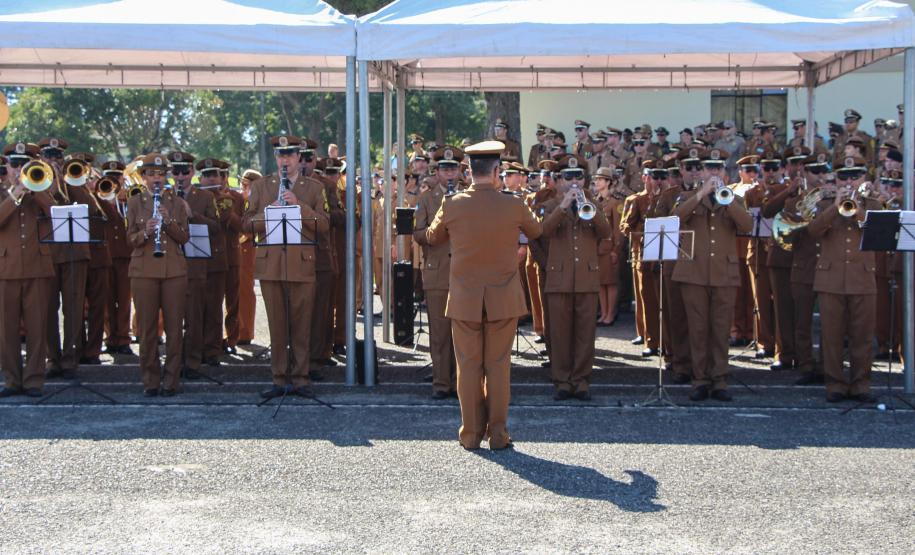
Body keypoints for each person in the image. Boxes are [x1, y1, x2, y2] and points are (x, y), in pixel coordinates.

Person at [425, 140, 542, 450]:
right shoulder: (514, 203)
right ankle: (499, 435)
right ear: (497, 171)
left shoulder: (452, 203)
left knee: (468, 367)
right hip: (503, 298)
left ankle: (471, 434)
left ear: (468, 171)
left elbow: (432, 237)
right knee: (499, 367)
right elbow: (537, 231)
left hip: (465, 298)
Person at [242, 135, 329, 399]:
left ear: (299, 158)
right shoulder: (260, 186)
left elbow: (324, 225)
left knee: (302, 325)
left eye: (290, 155)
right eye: (281, 155)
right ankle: (279, 378)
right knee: (277, 326)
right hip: (271, 266)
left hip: (302, 266)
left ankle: (301, 378)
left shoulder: (313, 188)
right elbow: (245, 224)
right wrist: (269, 212)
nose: (285, 160)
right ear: (276, 158)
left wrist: (299, 206)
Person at [672, 147, 753, 401]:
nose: (713, 172)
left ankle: (719, 381)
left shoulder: (734, 199)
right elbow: (675, 218)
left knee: (720, 330)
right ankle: (700, 380)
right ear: (701, 172)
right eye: (709, 168)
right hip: (694, 273)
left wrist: (726, 202)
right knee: (697, 330)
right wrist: (701, 194)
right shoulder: (686, 196)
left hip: (723, 273)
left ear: (724, 172)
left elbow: (747, 225)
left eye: (718, 168)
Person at [806, 156, 883, 403]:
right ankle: (836, 384)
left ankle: (861, 384)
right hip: (831, 279)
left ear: (864, 179)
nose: (849, 181)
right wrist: (834, 207)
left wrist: (858, 211)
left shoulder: (873, 204)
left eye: (855, 176)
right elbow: (813, 231)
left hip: (862, 278)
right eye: (843, 177)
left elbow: (879, 236)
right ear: (835, 179)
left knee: (862, 335)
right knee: (832, 336)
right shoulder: (824, 203)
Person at [541, 154, 612, 400]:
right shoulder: (550, 205)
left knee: (584, 333)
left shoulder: (592, 203)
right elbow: (543, 232)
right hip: (559, 279)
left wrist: (589, 207)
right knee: (559, 334)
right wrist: (563, 207)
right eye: (568, 177)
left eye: (578, 177)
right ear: (559, 180)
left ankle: (581, 381)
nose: (574, 181)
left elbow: (606, 232)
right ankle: (561, 381)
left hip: (586, 278)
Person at [126, 153, 190, 396]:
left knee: (174, 329)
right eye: (151, 174)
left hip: (174, 271)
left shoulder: (176, 202)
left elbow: (184, 237)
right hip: (143, 271)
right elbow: (129, 240)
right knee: (147, 329)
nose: (157, 179)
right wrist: (145, 231)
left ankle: (171, 380)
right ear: (143, 178)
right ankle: (150, 381)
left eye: (161, 174)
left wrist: (168, 220)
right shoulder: (134, 203)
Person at [0, 142, 55, 397]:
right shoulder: (2, 193)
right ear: (7, 167)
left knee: (37, 327)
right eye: (14, 165)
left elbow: (54, 212)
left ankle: (34, 380)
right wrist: (15, 194)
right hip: (6, 269)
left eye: (24, 165)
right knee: (6, 329)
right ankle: (12, 380)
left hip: (37, 268)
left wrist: (35, 189)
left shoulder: (41, 188)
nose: (18, 169)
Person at [414, 146, 465, 399]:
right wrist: (439, 228)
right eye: (445, 169)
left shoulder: (469, 197)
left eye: (453, 168)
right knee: (439, 332)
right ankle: (441, 382)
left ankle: (460, 383)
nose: (449, 174)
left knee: (463, 332)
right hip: (437, 272)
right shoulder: (426, 199)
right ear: (437, 172)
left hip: (465, 273)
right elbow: (418, 234)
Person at [195, 158, 229, 367]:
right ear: (200, 178)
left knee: (215, 308)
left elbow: (221, 223)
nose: (210, 179)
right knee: (195, 308)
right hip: (195, 259)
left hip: (216, 259)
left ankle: (213, 349)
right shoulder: (193, 196)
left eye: (214, 175)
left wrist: (196, 215)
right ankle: (194, 348)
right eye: (206, 176)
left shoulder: (227, 198)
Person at [100, 160, 134, 356]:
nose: (113, 181)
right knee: (107, 300)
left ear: (123, 178)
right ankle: (110, 337)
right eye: (110, 177)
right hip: (106, 255)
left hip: (125, 255)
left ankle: (123, 338)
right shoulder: (99, 197)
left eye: (117, 177)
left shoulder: (129, 198)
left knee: (124, 300)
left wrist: (122, 201)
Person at [592, 167, 624, 326]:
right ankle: (603, 313)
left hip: (608, 249)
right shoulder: (593, 202)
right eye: (596, 179)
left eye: (600, 179)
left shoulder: (615, 203)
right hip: (596, 249)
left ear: (608, 182)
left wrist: (616, 250)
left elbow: (618, 229)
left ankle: (610, 314)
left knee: (610, 283)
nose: (596, 182)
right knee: (600, 283)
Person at [237, 169, 262, 346]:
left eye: (246, 185)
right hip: (235, 245)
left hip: (247, 246)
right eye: (242, 184)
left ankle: (245, 332)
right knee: (233, 291)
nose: (242, 187)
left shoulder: (258, 200)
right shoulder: (240, 199)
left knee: (245, 290)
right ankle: (234, 330)